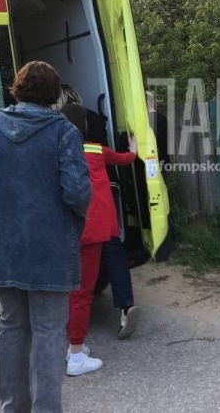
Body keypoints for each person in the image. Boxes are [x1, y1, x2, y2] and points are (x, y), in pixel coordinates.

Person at [0, 61, 91, 413]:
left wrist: (2, 201)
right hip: (49, 246)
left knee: (10, 325)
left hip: (1, 244)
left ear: (16, 88)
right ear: (53, 94)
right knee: (48, 330)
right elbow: (77, 192)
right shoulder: (64, 132)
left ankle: (13, 407)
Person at [55, 85, 143, 339]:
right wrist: (134, 150)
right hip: (105, 203)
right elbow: (121, 157)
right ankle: (126, 305)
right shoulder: (93, 126)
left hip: (80, 212)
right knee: (114, 253)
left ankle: (67, 318)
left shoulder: (58, 130)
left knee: (78, 267)